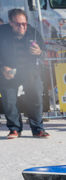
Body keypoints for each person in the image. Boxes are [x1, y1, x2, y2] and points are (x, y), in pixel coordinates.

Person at [0, 9, 49, 139]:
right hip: (9, 72)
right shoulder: (2, 32)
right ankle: (14, 129)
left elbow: (45, 52)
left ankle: (38, 129)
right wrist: (3, 67)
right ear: (10, 22)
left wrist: (39, 52)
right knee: (9, 101)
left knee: (36, 98)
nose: (22, 27)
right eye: (18, 24)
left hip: (30, 71)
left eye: (24, 24)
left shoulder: (33, 32)